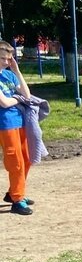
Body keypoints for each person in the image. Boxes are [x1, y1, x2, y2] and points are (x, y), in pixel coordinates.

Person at [0, 40, 33, 215]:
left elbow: (26, 94)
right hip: (5, 124)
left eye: (9, 58)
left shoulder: (9, 75)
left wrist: (17, 71)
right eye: (3, 58)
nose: (6, 62)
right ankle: (17, 199)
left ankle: (15, 191)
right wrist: (18, 99)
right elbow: (4, 103)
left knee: (26, 159)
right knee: (16, 162)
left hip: (19, 122)